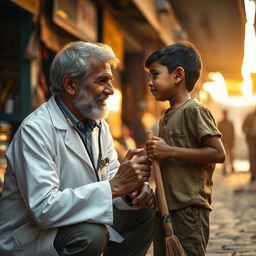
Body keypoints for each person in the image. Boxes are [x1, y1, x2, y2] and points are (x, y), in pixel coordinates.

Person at [0, 41, 154, 256]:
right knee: (90, 235)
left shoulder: (100, 126)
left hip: (76, 220)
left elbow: (111, 181)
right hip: (33, 236)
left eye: (110, 80)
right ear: (71, 85)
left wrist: (132, 192)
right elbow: (44, 209)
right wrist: (116, 186)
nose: (110, 90)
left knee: (147, 208)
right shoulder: (35, 130)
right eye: (102, 81)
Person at [144, 41, 225, 256]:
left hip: (189, 209)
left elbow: (218, 153)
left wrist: (168, 151)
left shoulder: (194, 110)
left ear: (178, 75)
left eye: (154, 75)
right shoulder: (166, 117)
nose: (150, 82)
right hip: (165, 207)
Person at [217, 109, 235, 175]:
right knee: (224, 156)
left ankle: (232, 167)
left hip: (229, 142)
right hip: (222, 142)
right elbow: (217, 133)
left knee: (231, 155)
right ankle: (224, 169)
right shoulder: (220, 123)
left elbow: (233, 133)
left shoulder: (230, 123)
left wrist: (233, 141)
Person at [242, 107, 256, 181]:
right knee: (252, 156)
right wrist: (248, 133)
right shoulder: (249, 116)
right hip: (251, 139)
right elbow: (244, 127)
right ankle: (253, 174)